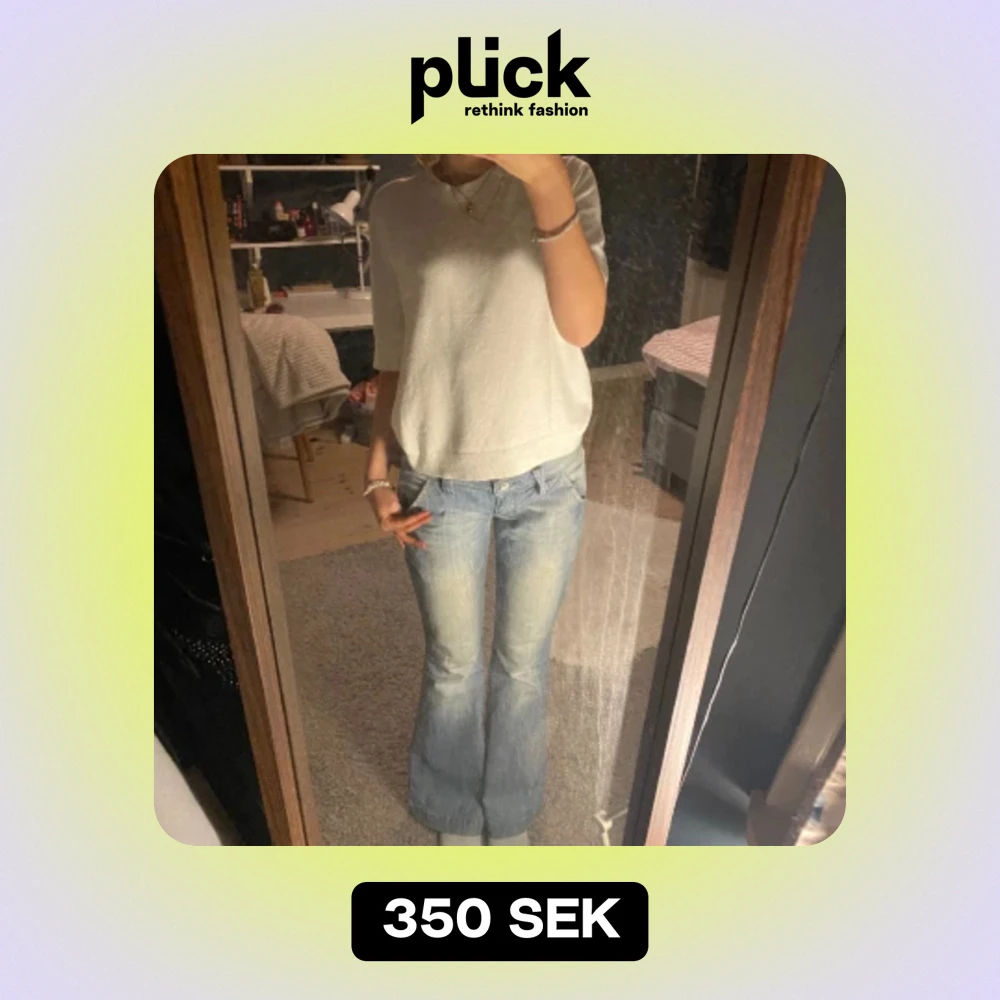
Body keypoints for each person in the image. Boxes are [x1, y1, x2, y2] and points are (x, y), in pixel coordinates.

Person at [364, 154, 608, 845]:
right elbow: (394, 348)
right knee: (453, 664)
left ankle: (510, 812)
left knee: (523, 665)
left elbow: (583, 326)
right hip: (438, 475)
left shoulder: (563, 176)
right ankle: (450, 810)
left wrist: (545, 180)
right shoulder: (395, 205)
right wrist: (376, 470)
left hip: (547, 475)